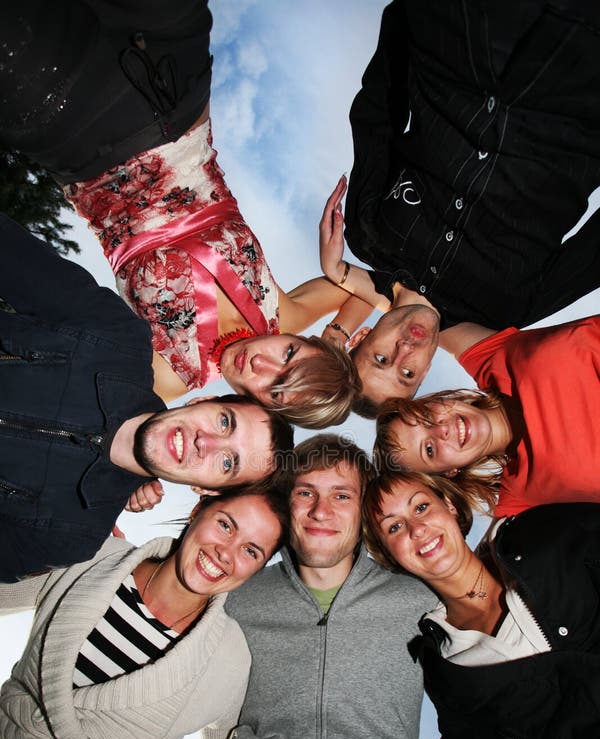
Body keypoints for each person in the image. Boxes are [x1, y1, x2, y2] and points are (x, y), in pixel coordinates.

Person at [0, 0, 372, 427]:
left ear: (263, 409)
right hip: (180, 96)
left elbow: (70, 400)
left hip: (84, 139)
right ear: (304, 339)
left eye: (276, 388)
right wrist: (339, 339)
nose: (262, 364)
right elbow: (385, 291)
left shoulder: (169, 376)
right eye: (290, 355)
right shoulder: (283, 315)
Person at [0, 487, 289, 739]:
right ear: (197, 511)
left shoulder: (229, 659)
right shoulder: (95, 556)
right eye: (225, 524)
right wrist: (59, 513)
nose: (226, 552)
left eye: (251, 551)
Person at [186, 434, 436, 739]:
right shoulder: (235, 598)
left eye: (342, 495)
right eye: (306, 493)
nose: (322, 511)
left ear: (364, 512)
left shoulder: (419, 602)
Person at [319, 0, 600, 412]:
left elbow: (378, 113)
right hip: (582, 89)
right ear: (427, 372)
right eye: (408, 374)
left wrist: (410, 18)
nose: (404, 353)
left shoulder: (367, 233)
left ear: (361, 338)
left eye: (382, 359)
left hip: (471, 38)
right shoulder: (506, 311)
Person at [0, 214, 293, 583]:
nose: (208, 443)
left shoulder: (70, 537)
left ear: (206, 489)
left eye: (228, 462)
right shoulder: (113, 335)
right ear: (201, 401)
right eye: (225, 422)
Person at [363, 470, 600, 739]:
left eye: (421, 507)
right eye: (395, 527)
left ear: (451, 508)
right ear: (388, 554)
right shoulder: (455, 680)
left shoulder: (541, 533)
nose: (417, 529)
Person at [373, 313, 600, 518]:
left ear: (435, 401)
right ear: (450, 472)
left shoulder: (491, 358)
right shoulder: (521, 497)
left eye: (425, 417)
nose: (441, 430)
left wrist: (344, 280)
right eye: (429, 449)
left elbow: (417, 310)